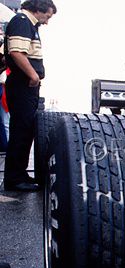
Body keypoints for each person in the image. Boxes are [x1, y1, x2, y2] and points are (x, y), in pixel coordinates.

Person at [3, 0, 57, 192]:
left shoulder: (26, 24)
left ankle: (20, 173)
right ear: (39, 9)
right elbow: (16, 52)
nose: (47, 21)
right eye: (47, 16)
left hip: (24, 84)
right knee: (21, 128)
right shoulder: (22, 21)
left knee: (25, 129)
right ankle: (14, 179)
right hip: (23, 84)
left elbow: (6, 54)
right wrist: (33, 75)